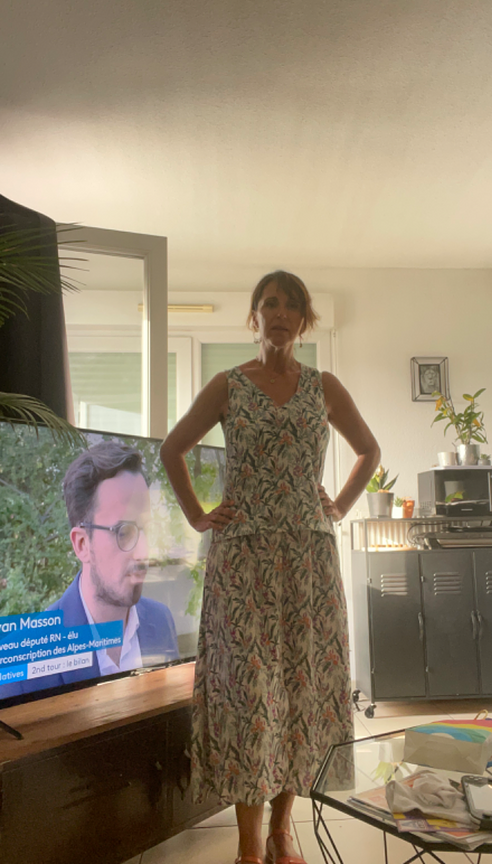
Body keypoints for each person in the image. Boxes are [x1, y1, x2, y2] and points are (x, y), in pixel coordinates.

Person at [161, 270, 380, 864]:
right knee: (249, 695)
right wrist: (198, 515)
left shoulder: (324, 386)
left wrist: (340, 505)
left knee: (301, 690)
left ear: (304, 320)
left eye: (291, 305)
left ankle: (284, 832)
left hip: (309, 560)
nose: (280, 313)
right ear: (254, 317)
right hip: (243, 563)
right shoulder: (229, 385)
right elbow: (172, 448)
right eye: (270, 303)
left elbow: (369, 450)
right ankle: (249, 845)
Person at [4, 441, 179, 696]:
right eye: (124, 532)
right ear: (82, 544)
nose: (144, 553)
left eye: (148, 530)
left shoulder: (161, 621)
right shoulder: (23, 660)